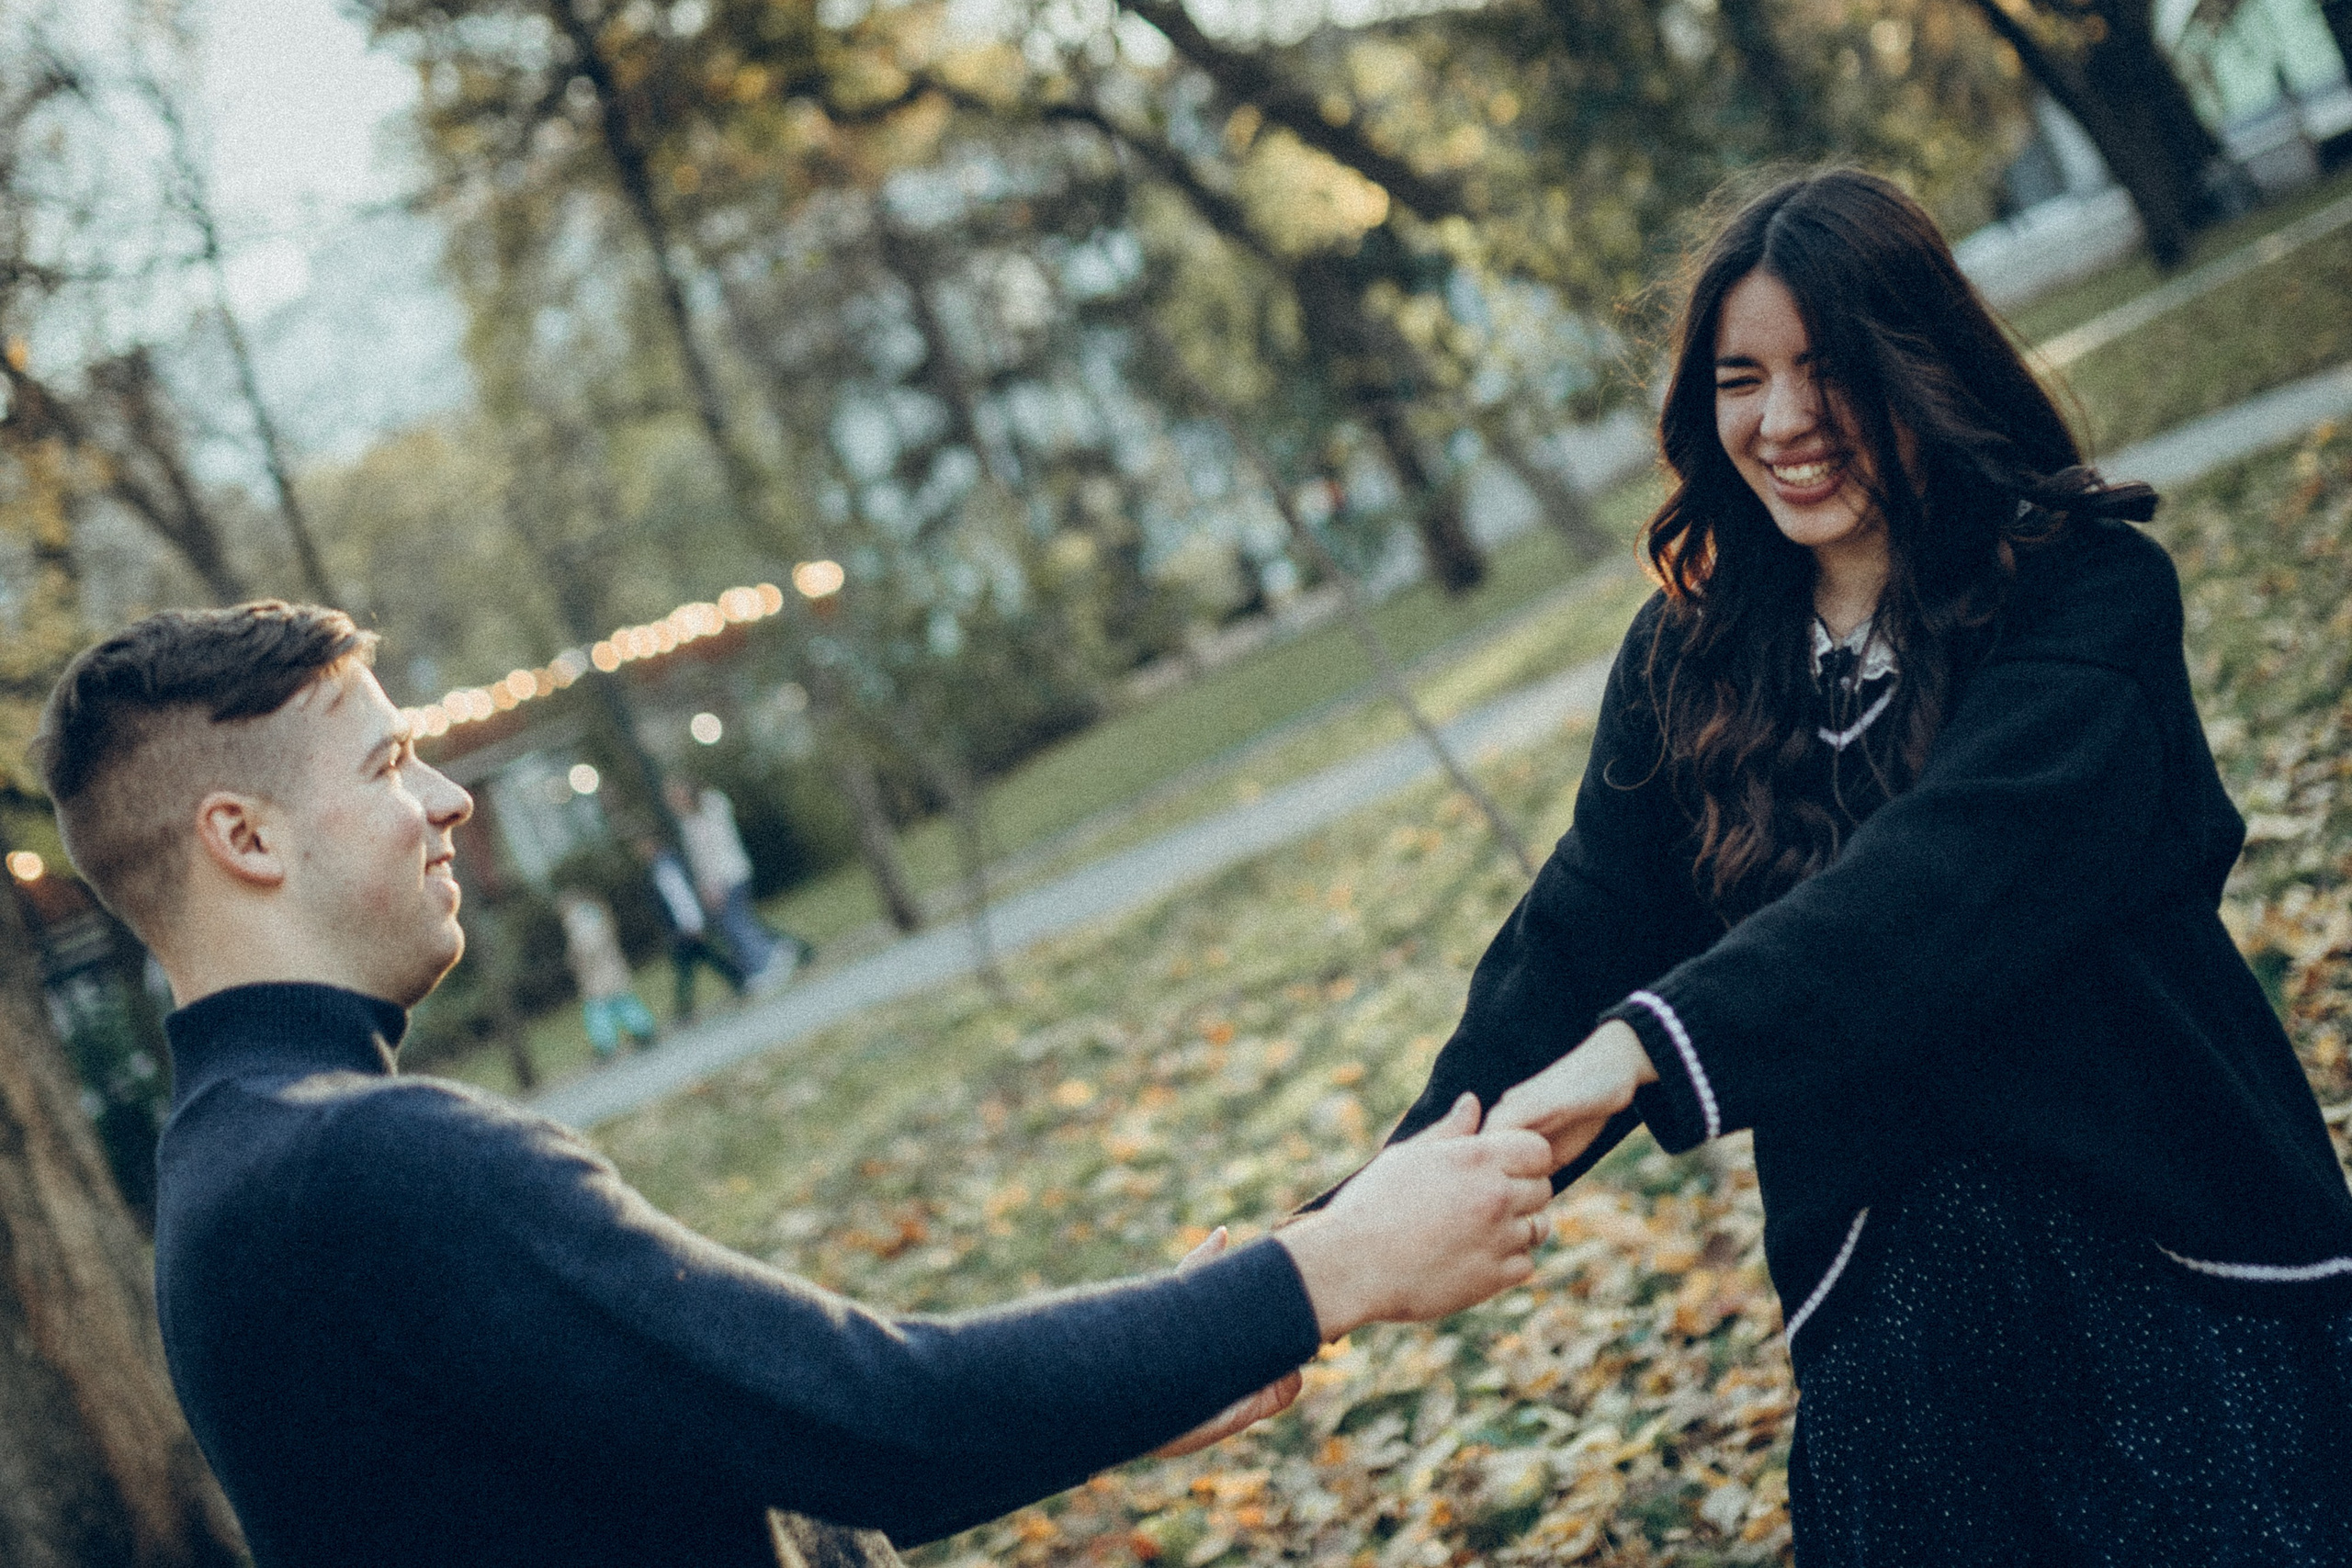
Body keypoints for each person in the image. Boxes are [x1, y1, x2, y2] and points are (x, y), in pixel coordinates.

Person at [32, 600, 1557, 1568]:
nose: (448, 800)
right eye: (384, 766)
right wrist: (1335, 1264)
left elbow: (746, 1448)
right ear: (245, 838)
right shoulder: (366, 1167)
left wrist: (1121, 1384)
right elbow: (876, 1410)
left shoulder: (233, 1177)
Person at [1367, 170, 2352, 1563]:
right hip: (1895, 1336)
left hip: (2174, 1268)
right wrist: (1344, 1234)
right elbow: (1572, 941)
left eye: (1828, 369)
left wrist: (1647, 1049)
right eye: (1740, 377)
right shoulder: (1688, 661)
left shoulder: (2089, 593)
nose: (1783, 422)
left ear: (1922, 359)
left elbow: (1940, 883)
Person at [667, 775, 813, 993]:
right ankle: (763, 961)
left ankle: (771, 956)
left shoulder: (708, 810)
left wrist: (713, 885)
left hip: (729, 876)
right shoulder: (689, 822)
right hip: (722, 878)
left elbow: (713, 854)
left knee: (736, 923)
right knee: (736, 924)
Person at [639, 830, 747, 1021]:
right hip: (683, 928)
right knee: (700, 961)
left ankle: (685, 1010)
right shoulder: (657, 870)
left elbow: (682, 897)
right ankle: (737, 981)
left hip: (688, 926)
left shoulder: (670, 867)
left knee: (690, 965)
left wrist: (693, 923)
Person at [555, 886, 658, 1058]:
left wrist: (577, 961)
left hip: (597, 972)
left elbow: (587, 947)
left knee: (598, 1009)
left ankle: (606, 1044)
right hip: (609, 967)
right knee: (622, 1001)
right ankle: (643, 1029)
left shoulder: (578, 919)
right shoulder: (593, 913)